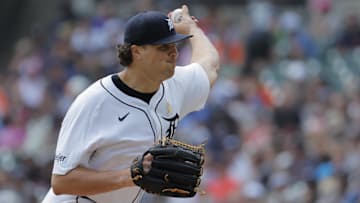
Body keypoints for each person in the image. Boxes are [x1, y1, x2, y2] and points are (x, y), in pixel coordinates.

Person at [41, 4, 219, 203]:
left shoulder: (175, 86)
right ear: (137, 51)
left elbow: (210, 64)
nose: (173, 53)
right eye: (163, 47)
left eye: (174, 45)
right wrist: (129, 176)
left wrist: (192, 29)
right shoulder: (94, 102)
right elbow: (61, 182)